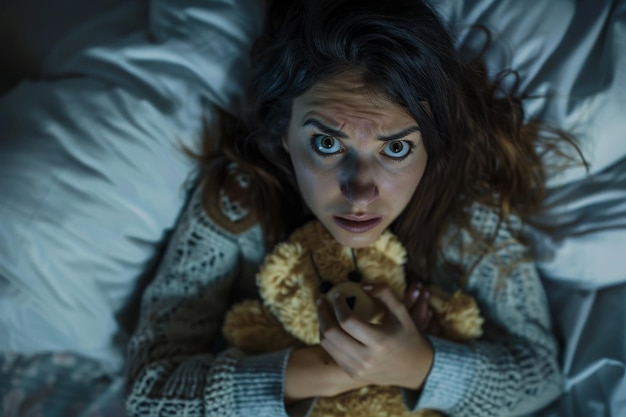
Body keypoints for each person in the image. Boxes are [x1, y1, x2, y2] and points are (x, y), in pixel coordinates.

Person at [125, 0, 583, 416]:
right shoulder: (238, 204)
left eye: (397, 149)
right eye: (327, 143)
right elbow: (148, 395)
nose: (361, 192)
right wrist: (340, 367)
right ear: (284, 130)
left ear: (432, 142)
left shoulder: (465, 215)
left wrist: (418, 364)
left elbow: (541, 374)